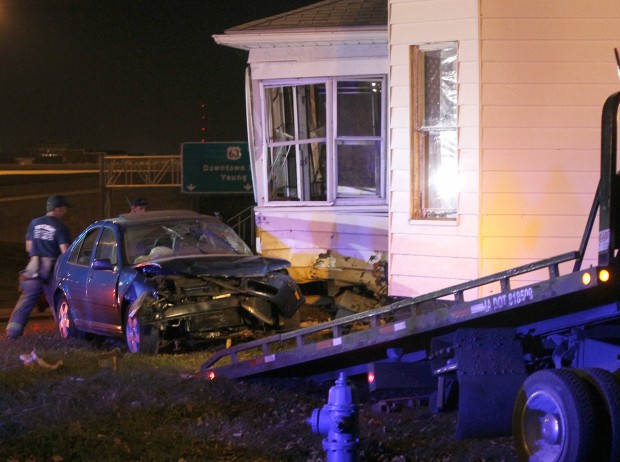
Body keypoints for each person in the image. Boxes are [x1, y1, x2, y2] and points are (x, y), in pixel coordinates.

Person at [5, 195, 72, 339]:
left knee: (25, 303)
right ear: (58, 209)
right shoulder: (60, 227)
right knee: (58, 302)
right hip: (51, 272)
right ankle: (65, 334)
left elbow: (29, 247)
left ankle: (12, 333)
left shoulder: (34, 223)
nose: (65, 212)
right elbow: (65, 252)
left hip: (33, 270)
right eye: (64, 209)